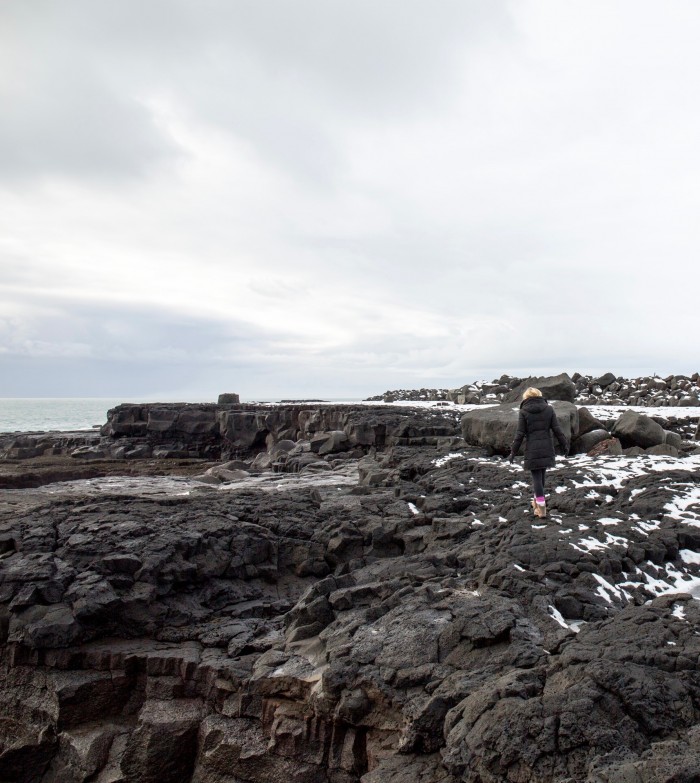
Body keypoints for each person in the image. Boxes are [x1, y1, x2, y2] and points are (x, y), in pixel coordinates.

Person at [508, 387, 568, 518]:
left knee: (536, 479)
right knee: (541, 477)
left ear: (526, 398)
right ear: (539, 396)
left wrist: (513, 452)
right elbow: (557, 429)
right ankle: (537, 502)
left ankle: (541, 509)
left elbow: (520, 434)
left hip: (532, 449)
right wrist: (564, 445)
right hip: (547, 447)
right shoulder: (549, 409)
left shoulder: (523, 412)